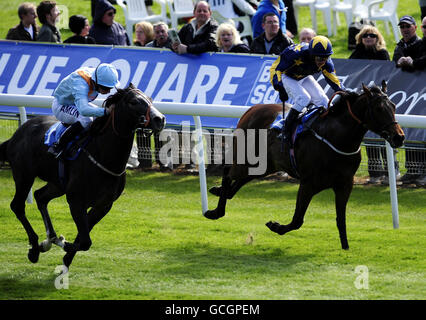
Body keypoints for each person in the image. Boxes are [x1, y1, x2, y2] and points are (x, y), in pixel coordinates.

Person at [270, 35, 344, 147]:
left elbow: (334, 81)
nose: (322, 62)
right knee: (304, 98)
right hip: (286, 75)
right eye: (319, 58)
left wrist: (344, 92)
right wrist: (279, 86)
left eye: (325, 58)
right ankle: (286, 130)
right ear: (312, 55)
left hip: (303, 76)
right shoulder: (295, 53)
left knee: (324, 101)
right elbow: (277, 70)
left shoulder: (326, 62)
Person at [348, 26, 397, 184]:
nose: (369, 38)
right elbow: (349, 70)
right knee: (369, 135)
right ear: (360, 38)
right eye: (365, 36)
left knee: (386, 133)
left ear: (378, 38)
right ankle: (375, 173)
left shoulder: (382, 53)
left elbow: (388, 74)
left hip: (381, 100)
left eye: (372, 35)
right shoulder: (357, 53)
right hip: (366, 101)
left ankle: (391, 171)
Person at [48, 63, 120, 158]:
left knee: (103, 117)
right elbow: (84, 110)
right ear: (96, 82)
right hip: (62, 105)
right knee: (87, 120)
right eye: (106, 88)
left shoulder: (99, 75)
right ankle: (58, 146)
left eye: (110, 88)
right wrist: (105, 111)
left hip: (76, 103)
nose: (108, 91)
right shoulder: (81, 82)